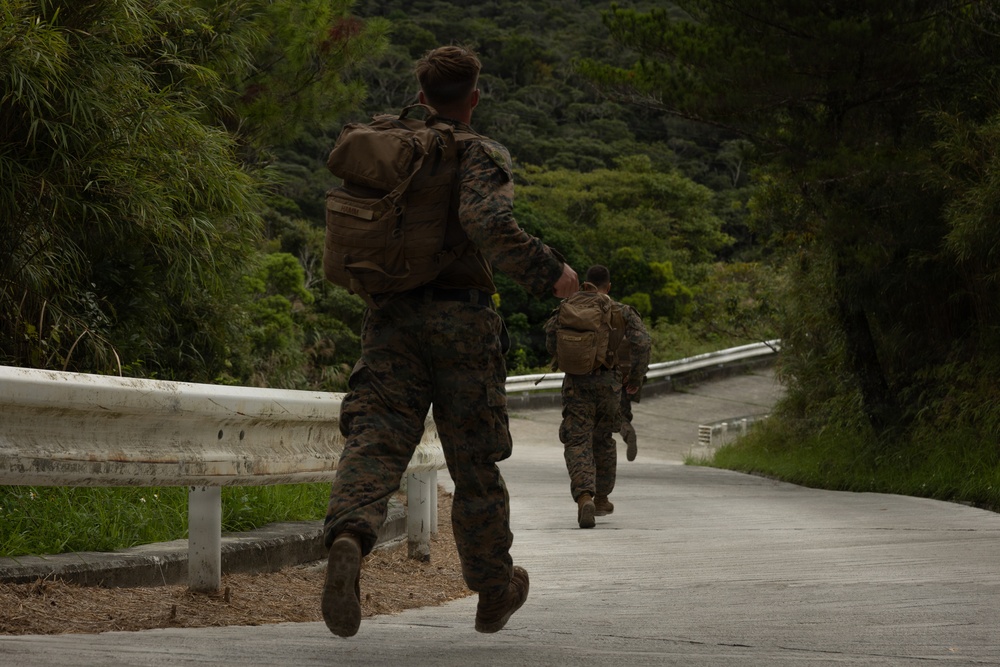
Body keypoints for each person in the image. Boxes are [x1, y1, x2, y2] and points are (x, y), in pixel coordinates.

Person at [320, 45, 580, 638]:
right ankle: (493, 588)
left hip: (390, 320)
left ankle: (348, 539)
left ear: (421, 95)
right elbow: (489, 224)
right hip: (462, 324)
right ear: (473, 98)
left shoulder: (394, 150)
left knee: (376, 438)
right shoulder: (477, 151)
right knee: (474, 459)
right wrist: (553, 274)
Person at [545, 265, 650, 529]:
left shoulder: (569, 305)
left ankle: (584, 496)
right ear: (608, 286)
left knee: (577, 440)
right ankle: (602, 498)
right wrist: (635, 379)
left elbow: (550, 338)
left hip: (576, 384)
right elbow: (642, 342)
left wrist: (568, 360)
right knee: (602, 439)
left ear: (586, 282)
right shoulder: (620, 310)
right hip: (609, 384)